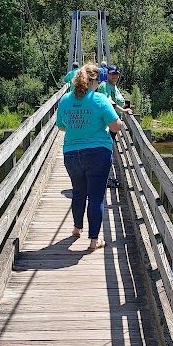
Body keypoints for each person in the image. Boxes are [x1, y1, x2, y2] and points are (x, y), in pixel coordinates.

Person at [56, 63, 123, 252]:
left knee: (78, 192)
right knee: (95, 197)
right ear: (93, 81)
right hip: (97, 154)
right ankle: (94, 241)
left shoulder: (65, 100)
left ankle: (77, 229)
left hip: (71, 154)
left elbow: (61, 127)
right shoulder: (100, 99)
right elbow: (115, 126)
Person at [98, 65, 132, 186]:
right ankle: (104, 180)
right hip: (106, 125)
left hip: (113, 125)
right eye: (112, 74)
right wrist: (123, 111)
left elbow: (118, 101)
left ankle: (105, 178)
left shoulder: (114, 86)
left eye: (116, 74)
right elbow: (108, 102)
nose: (114, 76)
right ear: (107, 74)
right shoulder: (103, 86)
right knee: (106, 152)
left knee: (107, 151)